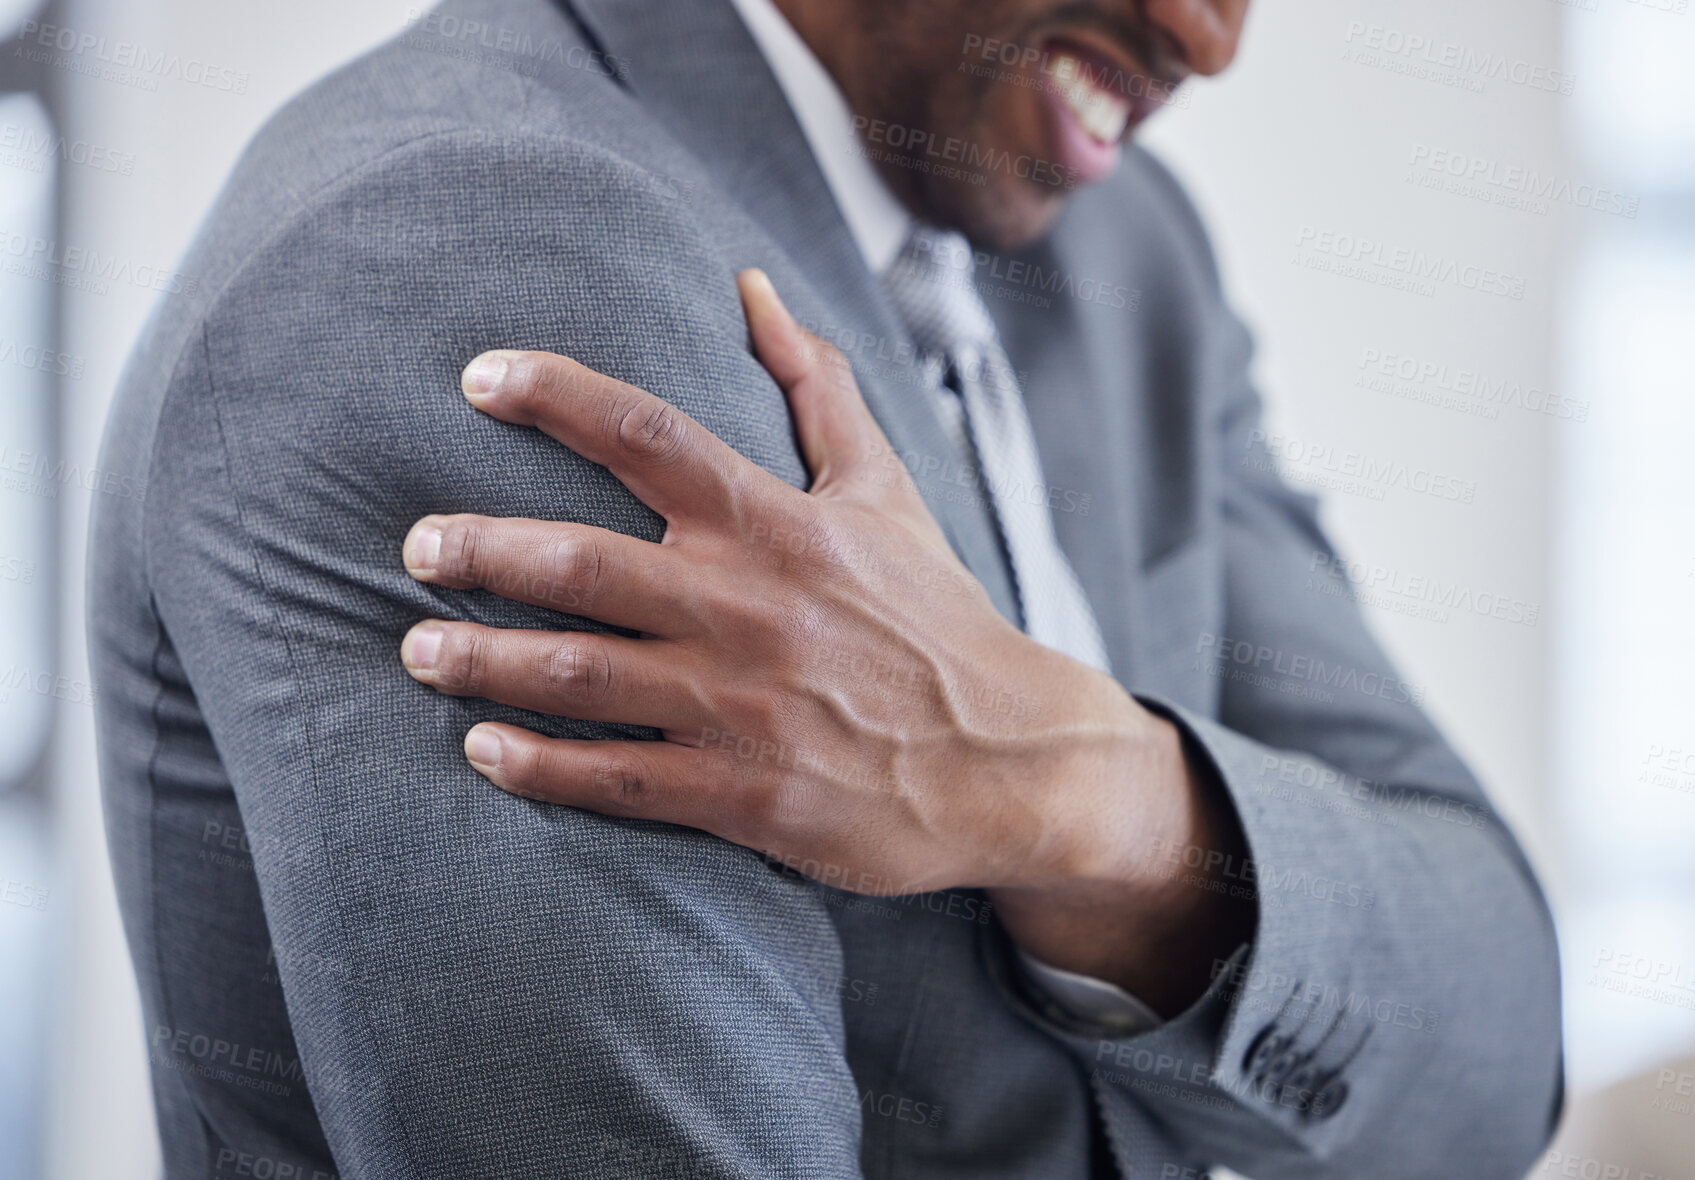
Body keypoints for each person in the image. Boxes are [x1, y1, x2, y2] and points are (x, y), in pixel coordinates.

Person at [89, 0, 1563, 1176]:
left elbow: (1493, 1055)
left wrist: (1089, 798)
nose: (1210, 34)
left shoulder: (1131, 263)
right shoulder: (493, 240)